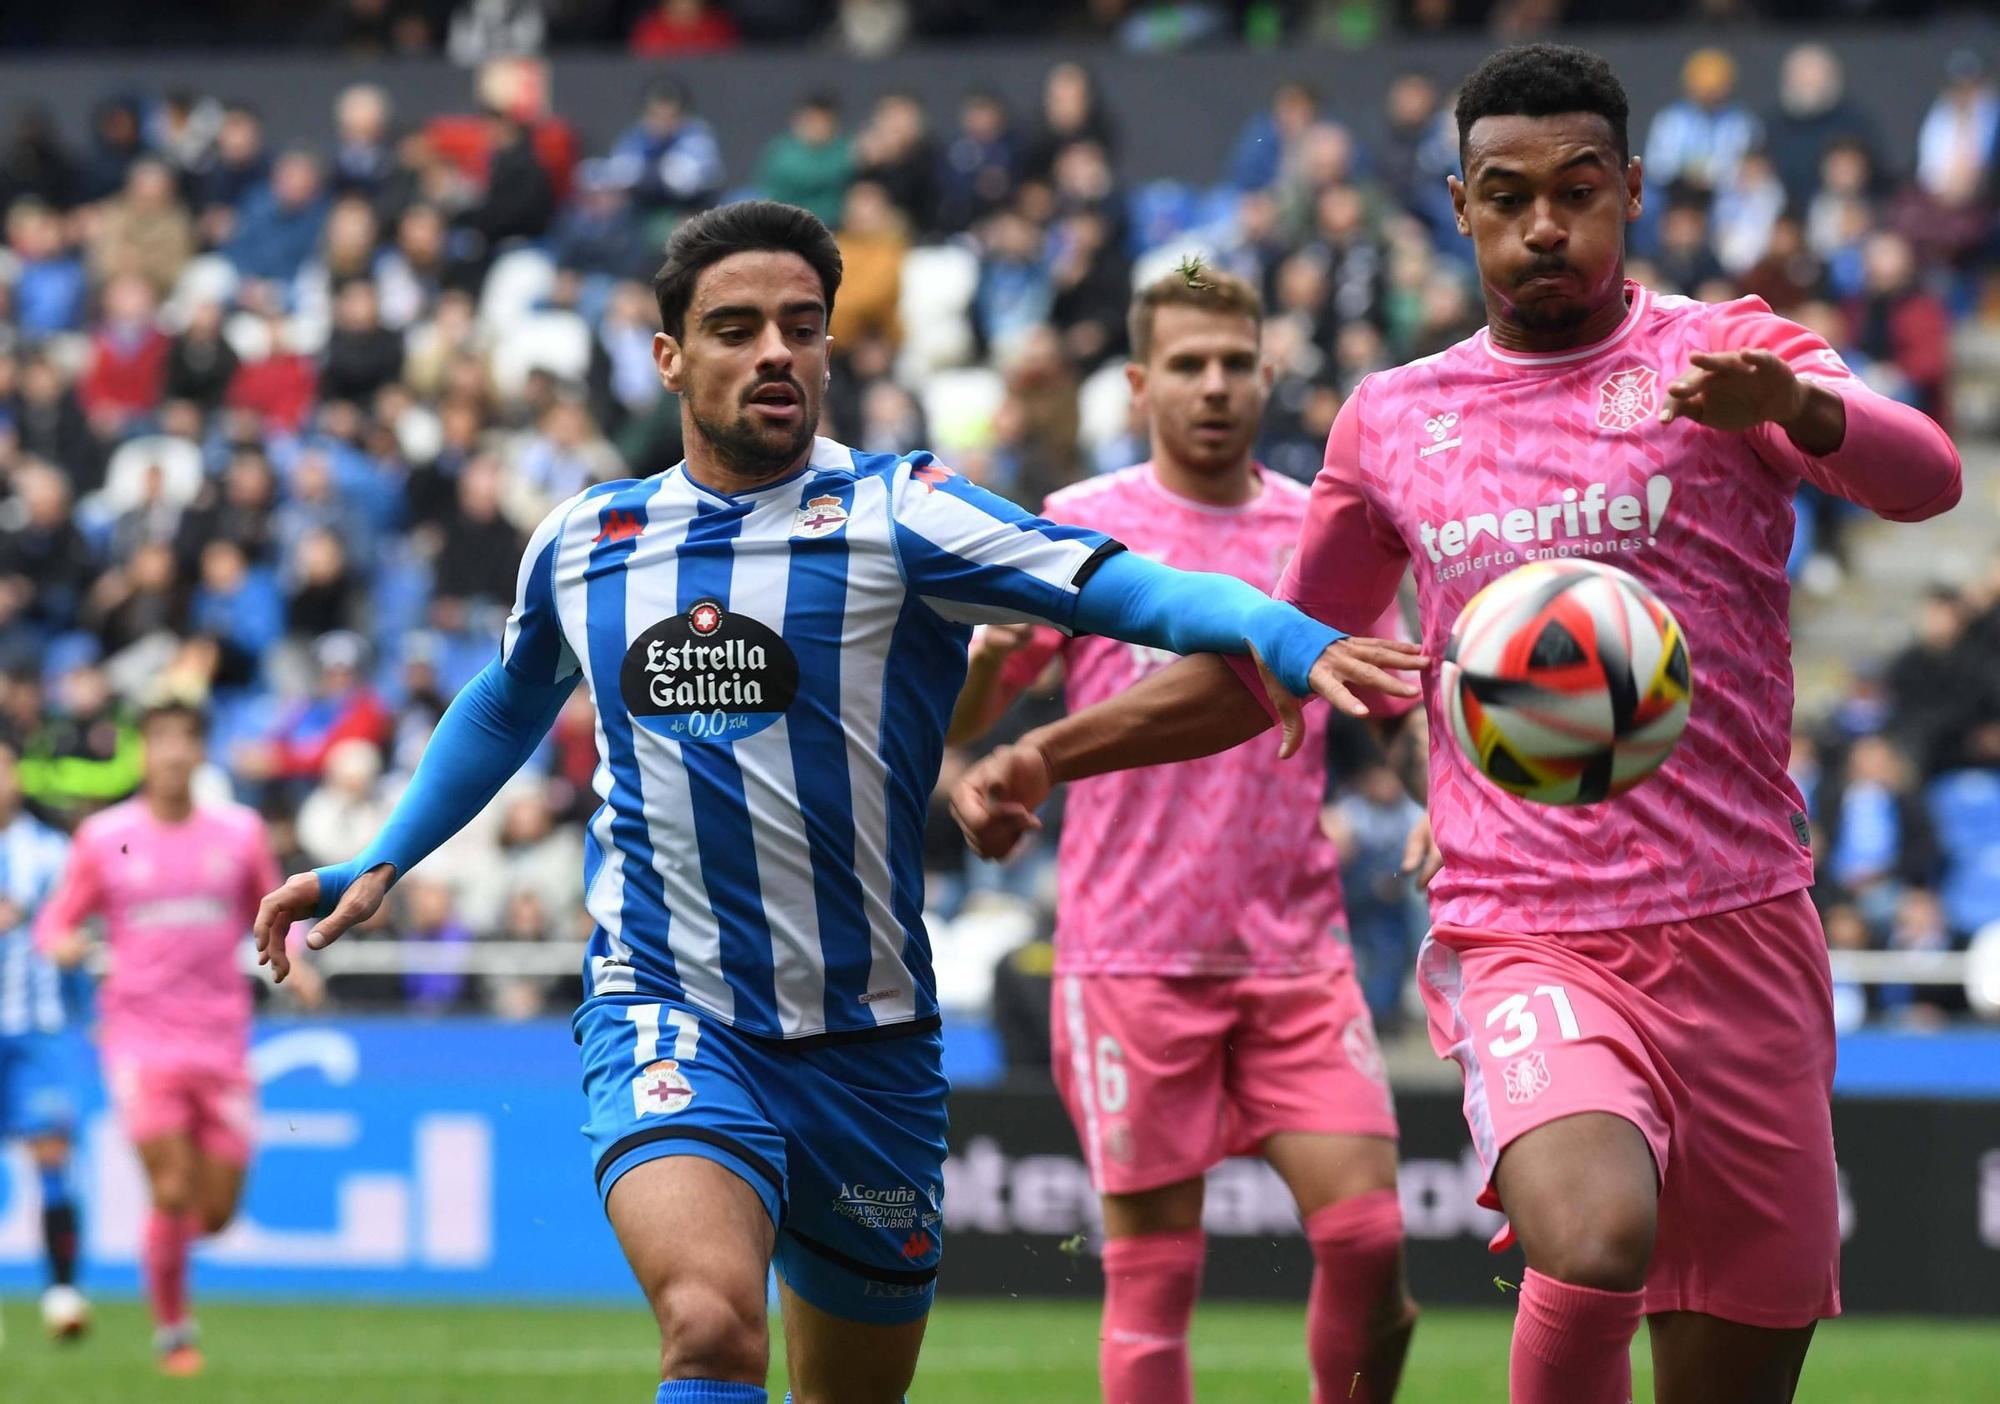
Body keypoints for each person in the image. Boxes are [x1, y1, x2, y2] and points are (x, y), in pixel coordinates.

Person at [250, 199, 1421, 1404]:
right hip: (669, 1004)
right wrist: (380, 859)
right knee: (709, 1330)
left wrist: (1278, 632)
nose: (772, 352)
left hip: (870, 1042)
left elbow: (1118, 589)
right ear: (671, 357)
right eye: (735, 327)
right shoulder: (584, 539)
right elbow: (506, 702)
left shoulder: (902, 512)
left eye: (799, 328)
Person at [951, 44, 1962, 1404]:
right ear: (1460, 202)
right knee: (1593, 1234)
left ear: (1633, 193)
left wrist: (1797, 404)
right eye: (1507, 194)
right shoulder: (1396, 421)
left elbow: (1930, 476)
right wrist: (1045, 750)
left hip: (1744, 930)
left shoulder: (1727, 354)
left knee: (1735, 1369)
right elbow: (1275, 666)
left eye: (1578, 190)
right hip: (1528, 926)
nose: (1544, 223)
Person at [944, 268, 1419, 1404]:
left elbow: (1394, 714)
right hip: (1126, 955)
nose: (1214, 386)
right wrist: (986, 689)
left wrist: (1441, 802)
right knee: (1150, 1289)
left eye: (1234, 363)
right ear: (1138, 383)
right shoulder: (1078, 523)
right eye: (1188, 366)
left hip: (1293, 953)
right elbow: (972, 726)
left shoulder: (1323, 528)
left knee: (1367, 1242)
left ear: (1266, 371)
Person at [35, 699, 323, 1377]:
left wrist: (300, 966)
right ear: (142, 752)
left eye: (183, 740)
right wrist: (67, 943)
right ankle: (173, 1334)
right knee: (169, 1187)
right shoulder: (105, 836)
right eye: (157, 739)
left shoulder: (240, 832)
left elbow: (273, 911)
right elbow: (55, 923)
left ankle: (157, 1256)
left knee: (216, 1211)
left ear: (200, 752)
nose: (170, 753)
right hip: (138, 1039)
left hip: (221, 1040)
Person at [0, 736, 89, 1340]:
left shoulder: (53, 851)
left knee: (51, 1154)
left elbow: (78, 934)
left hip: (39, 1029)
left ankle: (61, 1290)